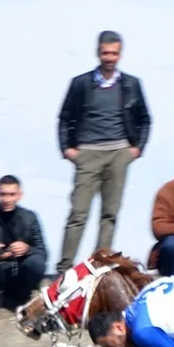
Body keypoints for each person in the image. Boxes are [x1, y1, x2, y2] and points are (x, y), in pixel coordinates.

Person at [56, 30, 151, 275]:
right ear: (98, 53)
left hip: (119, 152)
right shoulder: (81, 83)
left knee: (109, 213)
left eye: (114, 53)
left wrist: (136, 149)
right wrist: (68, 149)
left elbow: (144, 118)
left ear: (120, 54)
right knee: (79, 212)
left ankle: (99, 267)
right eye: (105, 52)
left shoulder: (131, 84)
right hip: (87, 152)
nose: (109, 57)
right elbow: (65, 117)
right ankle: (65, 268)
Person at [0, 176, 48, 317]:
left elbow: (43, 252)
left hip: (21, 271)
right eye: (3, 194)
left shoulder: (30, 216)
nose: (7, 199)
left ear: (20, 195)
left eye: (12, 194)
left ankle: (22, 296)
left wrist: (27, 249)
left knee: (37, 262)